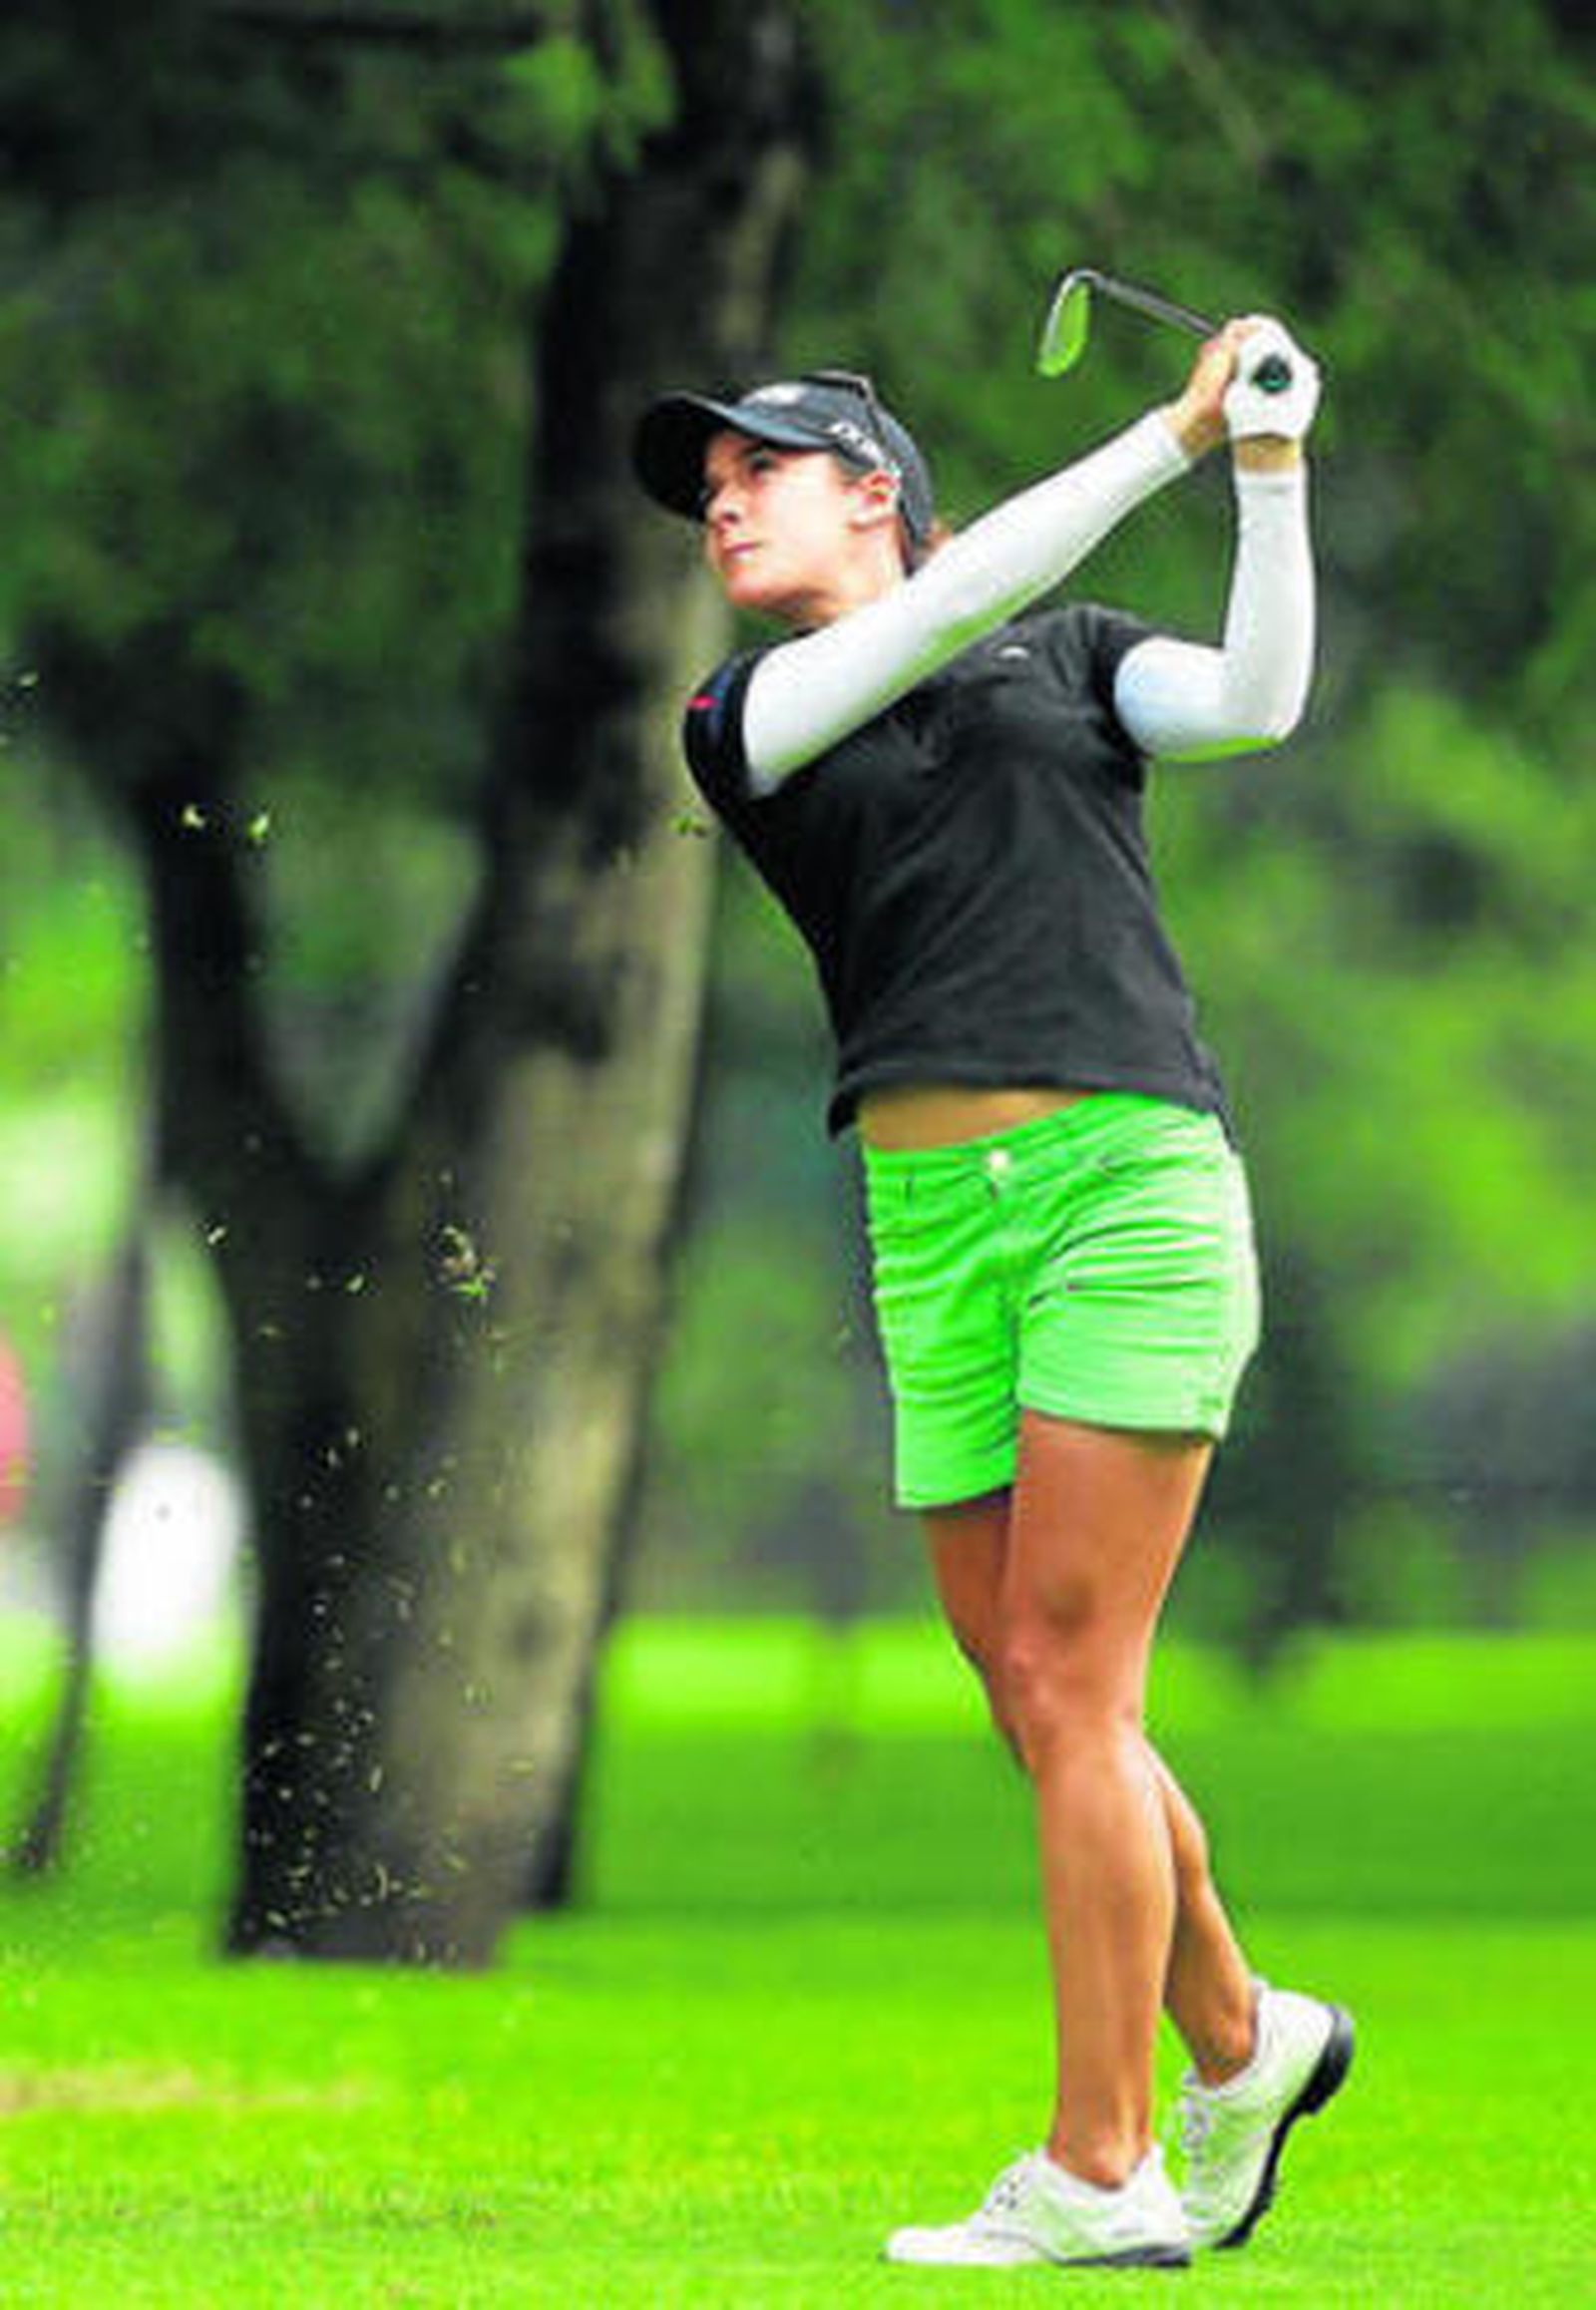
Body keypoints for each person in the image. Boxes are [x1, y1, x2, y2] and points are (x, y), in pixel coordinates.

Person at [632, 314, 1353, 2271]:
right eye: (704, 488)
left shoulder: (1072, 655)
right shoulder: (748, 717)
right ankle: (1244, 2039)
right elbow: (974, 588)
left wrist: (1261, 477)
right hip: (923, 1220)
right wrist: (1167, 433)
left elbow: (1257, 699)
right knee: (1033, 1700)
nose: (715, 503)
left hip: (1121, 1179)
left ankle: (1104, 2168)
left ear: (872, 486)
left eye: (751, 470)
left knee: (1069, 1681)